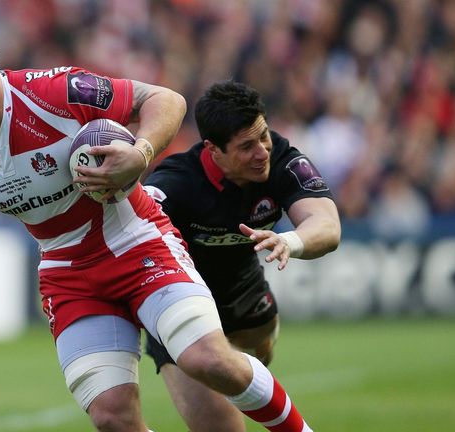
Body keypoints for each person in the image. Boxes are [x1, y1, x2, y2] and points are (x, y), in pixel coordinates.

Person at [0, 20, 314, 432]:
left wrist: (140, 154)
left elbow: (165, 99)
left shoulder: (55, 93)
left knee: (208, 360)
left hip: (136, 242)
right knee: (111, 416)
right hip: (68, 274)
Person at [143, 80, 341, 431]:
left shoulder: (282, 158)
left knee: (260, 355)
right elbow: (133, 233)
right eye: (247, 146)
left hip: (246, 296)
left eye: (263, 136)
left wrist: (290, 241)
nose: (262, 152)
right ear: (213, 150)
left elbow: (326, 225)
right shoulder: (176, 183)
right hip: (179, 304)